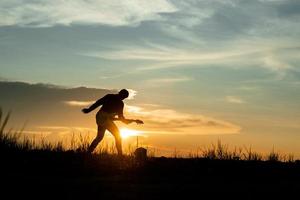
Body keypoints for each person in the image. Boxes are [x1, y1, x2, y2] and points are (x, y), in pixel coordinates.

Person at [82, 89, 143, 155]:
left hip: (102, 118)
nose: (122, 98)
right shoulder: (110, 97)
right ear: (119, 93)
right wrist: (89, 110)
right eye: (123, 96)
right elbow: (98, 103)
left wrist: (134, 120)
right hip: (102, 118)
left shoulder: (119, 103)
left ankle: (88, 152)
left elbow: (121, 119)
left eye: (124, 98)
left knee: (100, 137)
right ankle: (120, 155)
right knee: (117, 136)